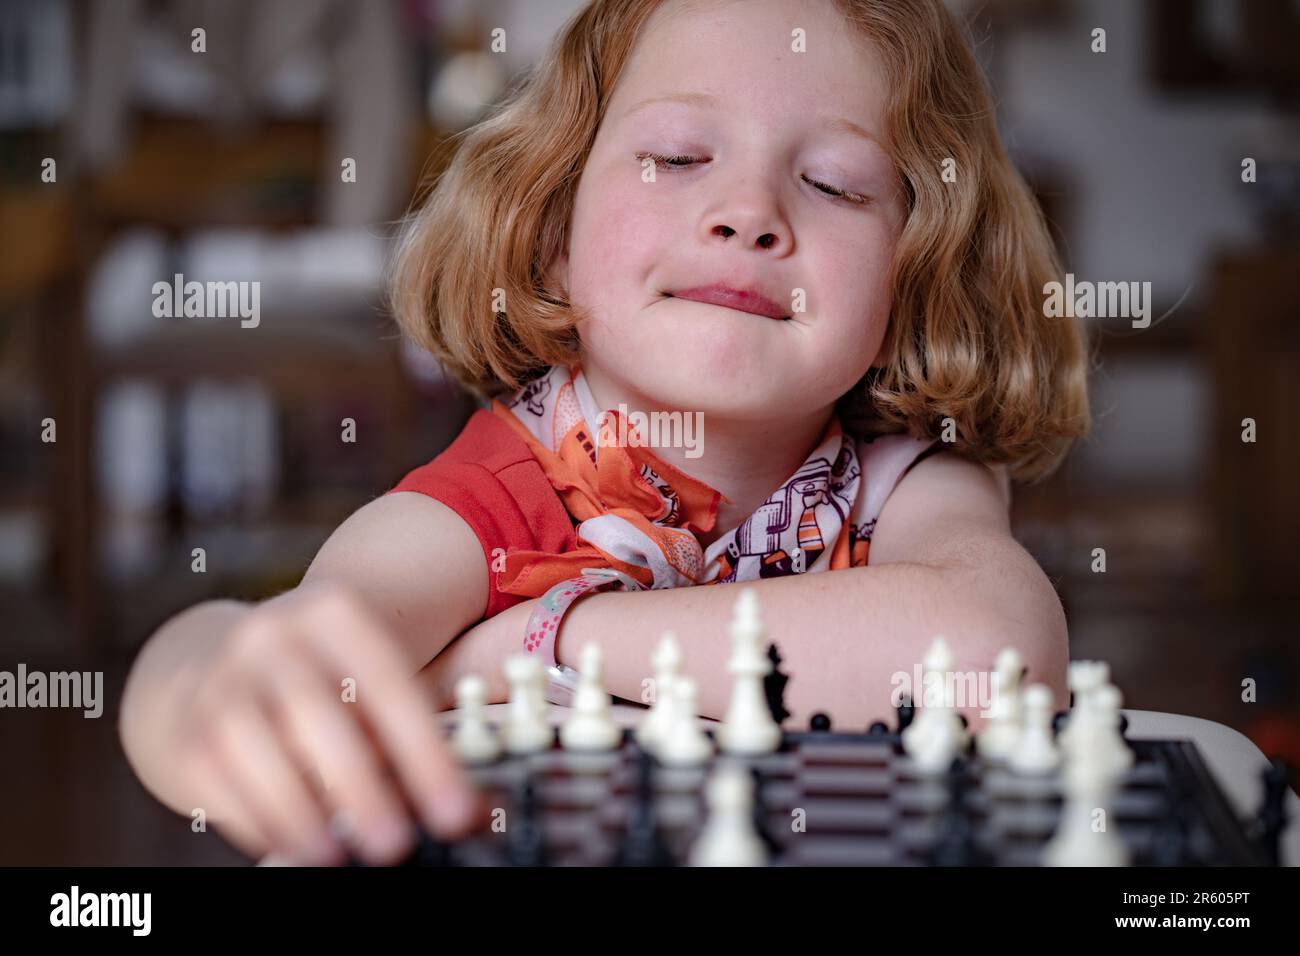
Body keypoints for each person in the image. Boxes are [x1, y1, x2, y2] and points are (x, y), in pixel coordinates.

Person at [121, 0, 1090, 867]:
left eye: (834, 182)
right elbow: (289, 647)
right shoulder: (508, 488)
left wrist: (537, 643)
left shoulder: (904, 477)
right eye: (675, 157)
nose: (747, 214)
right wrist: (204, 680)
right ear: (554, 238)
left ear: (914, 271)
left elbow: (986, 657)